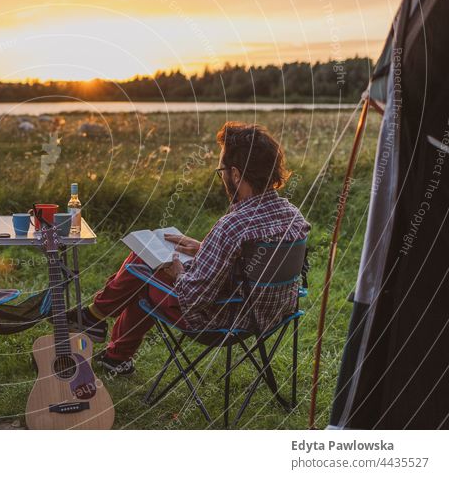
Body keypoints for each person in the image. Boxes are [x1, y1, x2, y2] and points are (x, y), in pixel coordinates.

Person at [68, 122, 310, 375]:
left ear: (236, 174)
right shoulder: (292, 215)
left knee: (141, 270)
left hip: (220, 321)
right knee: (142, 273)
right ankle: (111, 351)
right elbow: (253, 265)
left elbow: (193, 297)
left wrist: (177, 272)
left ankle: (98, 323)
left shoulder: (233, 226)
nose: (223, 177)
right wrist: (204, 248)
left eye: (222, 170)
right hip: (270, 316)